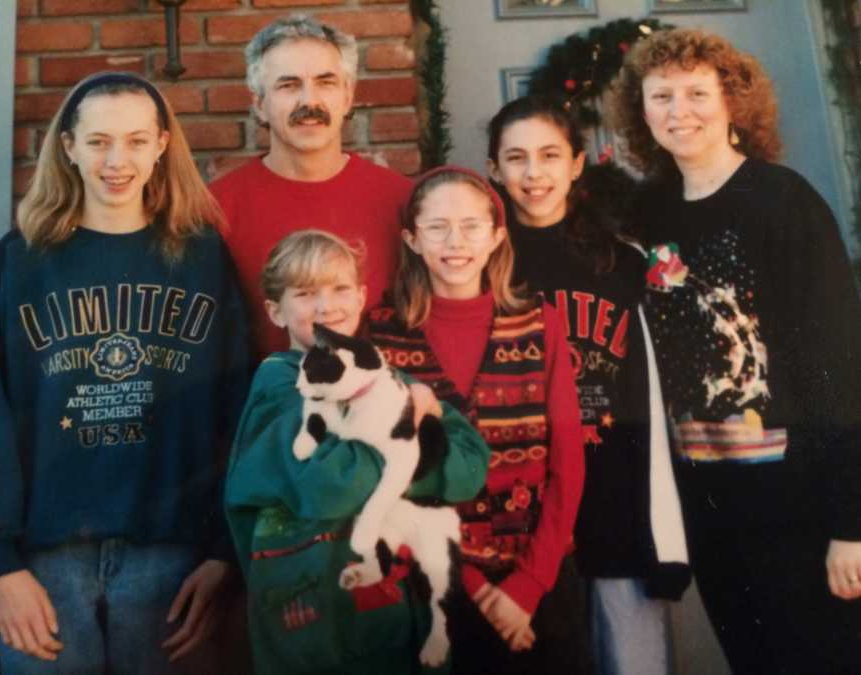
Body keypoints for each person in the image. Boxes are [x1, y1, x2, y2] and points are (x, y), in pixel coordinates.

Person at [0, 72, 251, 674]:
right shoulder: (22, 260)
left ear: (162, 145)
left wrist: (226, 554)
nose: (117, 161)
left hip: (175, 559)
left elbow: (239, 411)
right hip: (45, 563)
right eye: (97, 142)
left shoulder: (201, 257)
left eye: (136, 141)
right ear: (67, 146)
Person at [608, 27, 861, 674]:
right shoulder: (649, 213)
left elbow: (840, 362)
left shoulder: (783, 201)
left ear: (734, 104)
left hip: (801, 504)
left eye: (697, 92)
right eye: (660, 95)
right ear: (641, 111)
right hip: (709, 503)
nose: (678, 110)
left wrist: (850, 521)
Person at [224, 229, 491, 675]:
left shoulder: (383, 377)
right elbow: (330, 484)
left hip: (393, 615)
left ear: (363, 296)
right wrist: (414, 439)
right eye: (306, 294)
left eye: (340, 288)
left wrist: (392, 454)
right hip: (314, 623)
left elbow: (468, 467)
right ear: (275, 310)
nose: (327, 307)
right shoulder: (280, 386)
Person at [486, 95, 689, 675]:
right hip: (523, 506)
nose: (534, 173)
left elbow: (651, 389)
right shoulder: (484, 263)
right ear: (495, 169)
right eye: (516, 158)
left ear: (577, 164)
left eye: (550, 155)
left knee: (634, 661)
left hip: (614, 497)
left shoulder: (622, 262)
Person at [367, 166, 585, 674]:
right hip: (434, 584)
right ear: (412, 239)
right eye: (437, 227)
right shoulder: (383, 338)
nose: (455, 241)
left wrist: (528, 587)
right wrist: (481, 590)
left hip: (540, 578)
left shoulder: (540, 323)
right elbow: (392, 480)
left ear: (497, 237)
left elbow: (569, 466)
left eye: (471, 226)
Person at [210, 14, 412, 360]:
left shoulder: (402, 200)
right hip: (268, 407)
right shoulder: (216, 207)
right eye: (288, 85)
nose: (309, 102)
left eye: (326, 82)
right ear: (259, 103)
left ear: (348, 97)